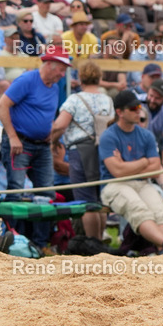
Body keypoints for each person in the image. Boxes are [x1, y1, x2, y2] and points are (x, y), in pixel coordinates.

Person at [0, 46, 73, 251]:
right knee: (16, 191)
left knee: (47, 193)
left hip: (41, 146)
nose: (62, 74)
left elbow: (49, 115)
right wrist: (13, 137)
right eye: (61, 69)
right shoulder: (27, 80)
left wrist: (49, 134)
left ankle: (39, 243)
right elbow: (1, 106)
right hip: (20, 143)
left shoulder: (54, 87)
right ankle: (13, 241)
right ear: (49, 64)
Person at [98, 90, 163, 254]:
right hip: (114, 185)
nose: (138, 110)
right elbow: (116, 172)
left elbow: (155, 168)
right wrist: (145, 161)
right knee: (138, 209)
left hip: (142, 182)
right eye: (133, 108)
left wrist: (126, 165)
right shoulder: (108, 137)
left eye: (139, 106)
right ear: (119, 112)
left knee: (160, 211)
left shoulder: (146, 135)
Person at [48, 61, 113, 238]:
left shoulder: (75, 100)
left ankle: (93, 243)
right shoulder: (107, 100)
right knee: (99, 199)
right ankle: (100, 238)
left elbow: (60, 125)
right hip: (103, 151)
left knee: (86, 200)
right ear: (99, 78)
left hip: (80, 151)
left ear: (80, 78)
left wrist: (52, 142)